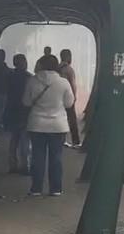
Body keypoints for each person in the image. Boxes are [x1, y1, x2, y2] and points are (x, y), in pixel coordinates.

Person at [24, 54, 75, 196]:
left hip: (37, 125)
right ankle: (56, 189)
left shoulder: (32, 81)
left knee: (37, 157)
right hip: (58, 126)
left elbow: (26, 102)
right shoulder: (63, 82)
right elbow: (69, 103)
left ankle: (36, 189)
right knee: (56, 158)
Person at [5, 54, 33, 174]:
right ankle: (25, 165)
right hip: (25, 111)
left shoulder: (9, 76)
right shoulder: (29, 78)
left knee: (14, 140)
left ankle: (12, 165)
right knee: (25, 141)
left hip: (12, 111)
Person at [58, 49, 81, 148]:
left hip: (57, 98)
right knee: (72, 120)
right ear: (68, 57)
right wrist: (74, 96)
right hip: (68, 97)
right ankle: (76, 142)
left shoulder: (56, 68)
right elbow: (73, 84)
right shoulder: (69, 69)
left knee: (60, 119)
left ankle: (61, 140)